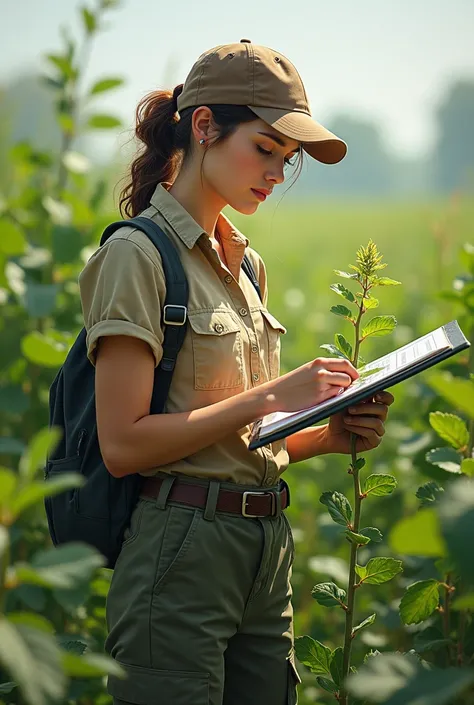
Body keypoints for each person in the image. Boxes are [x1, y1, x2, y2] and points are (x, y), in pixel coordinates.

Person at [78, 39, 394, 705]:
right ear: (203, 127)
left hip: (263, 551)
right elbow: (124, 444)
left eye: (288, 159)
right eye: (265, 148)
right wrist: (274, 394)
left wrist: (327, 434)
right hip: (179, 554)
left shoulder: (248, 267)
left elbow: (232, 444)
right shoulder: (138, 256)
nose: (276, 173)